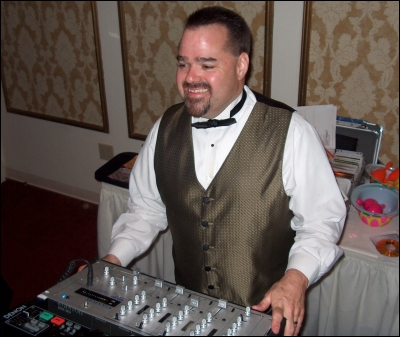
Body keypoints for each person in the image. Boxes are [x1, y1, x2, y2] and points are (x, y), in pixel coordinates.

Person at [100, 6, 346, 336]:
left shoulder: (291, 133)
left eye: (206, 64)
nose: (189, 77)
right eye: (183, 63)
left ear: (241, 65)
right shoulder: (165, 128)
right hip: (187, 309)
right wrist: (114, 259)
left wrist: (296, 277)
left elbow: (321, 220)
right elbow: (146, 209)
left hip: (265, 317)